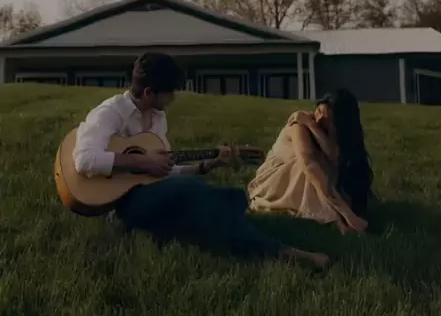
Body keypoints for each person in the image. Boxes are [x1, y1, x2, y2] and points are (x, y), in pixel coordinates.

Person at [73, 52, 330, 269]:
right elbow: (84, 159)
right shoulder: (110, 113)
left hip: (152, 193)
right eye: (169, 94)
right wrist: (142, 162)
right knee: (196, 194)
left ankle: (193, 229)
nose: (172, 99)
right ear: (149, 92)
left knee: (234, 198)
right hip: (118, 204)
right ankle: (280, 252)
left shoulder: (157, 118)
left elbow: (165, 171)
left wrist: (209, 164)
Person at [247, 89, 374, 234]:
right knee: (311, 169)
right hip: (276, 180)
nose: (318, 119)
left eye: (326, 120)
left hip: (306, 178)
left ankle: (338, 216)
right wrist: (347, 213)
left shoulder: (316, 126)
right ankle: (336, 219)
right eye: (318, 111)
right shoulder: (298, 124)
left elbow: (336, 157)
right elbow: (308, 165)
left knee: (325, 167)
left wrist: (313, 126)